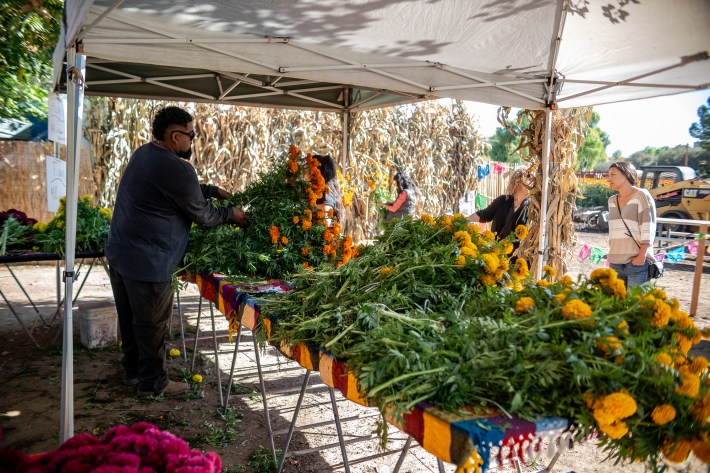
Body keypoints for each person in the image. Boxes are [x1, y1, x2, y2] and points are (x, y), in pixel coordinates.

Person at [105, 106, 249, 398]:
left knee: (132, 319)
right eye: (190, 135)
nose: (192, 141)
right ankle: (153, 383)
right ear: (174, 136)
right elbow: (203, 215)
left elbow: (169, 187)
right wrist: (230, 213)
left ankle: (133, 372)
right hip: (149, 260)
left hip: (122, 254)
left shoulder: (144, 154)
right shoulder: (178, 167)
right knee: (151, 324)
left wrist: (208, 188)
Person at [606, 161, 657, 287]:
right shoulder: (611, 201)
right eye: (609, 175)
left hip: (636, 262)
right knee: (616, 304)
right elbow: (614, 232)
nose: (609, 179)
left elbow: (648, 227)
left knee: (635, 304)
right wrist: (611, 256)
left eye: (613, 175)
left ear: (626, 175)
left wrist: (641, 256)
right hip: (615, 262)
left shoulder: (642, 196)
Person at [467, 169, 529, 242]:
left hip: (517, 252)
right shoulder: (503, 200)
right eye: (527, 180)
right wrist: (464, 220)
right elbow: (483, 215)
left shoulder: (530, 208)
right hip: (496, 248)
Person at [312, 154, 344, 222]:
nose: (305, 173)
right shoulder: (321, 194)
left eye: (309, 170)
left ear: (317, 173)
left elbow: (326, 223)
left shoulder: (325, 196)